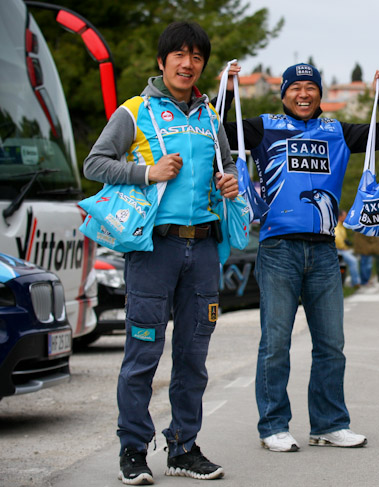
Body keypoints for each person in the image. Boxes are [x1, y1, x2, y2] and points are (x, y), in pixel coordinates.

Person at [84, 22, 236, 484]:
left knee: (193, 357)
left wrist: (230, 181)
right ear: (162, 61)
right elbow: (95, 163)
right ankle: (133, 450)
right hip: (154, 249)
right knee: (142, 355)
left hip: (204, 247)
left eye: (196, 58)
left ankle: (183, 448)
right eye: (179, 56)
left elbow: (226, 167)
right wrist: (146, 172)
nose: (188, 64)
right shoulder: (135, 110)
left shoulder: (210, 116)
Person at [220, 62, 379, 451]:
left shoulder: (338, 132)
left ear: (320, 94)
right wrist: (229, 89)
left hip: (325, 251)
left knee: (331, 344)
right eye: (295, 87)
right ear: (283, 94)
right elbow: (214, 131)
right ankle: (273, 426)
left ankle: (329, 424)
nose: (303, 93)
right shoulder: (263, 127)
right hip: (278, 249)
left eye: (310, 87)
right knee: (276, 342)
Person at [335, 210, 361, 289]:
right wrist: (343, 246)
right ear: (340, 217)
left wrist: (346, 243)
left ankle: (349, 282)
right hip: (339, 250)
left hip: (342, 249)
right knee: (353, 261)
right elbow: (337, 238)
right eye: (345, 215)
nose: (346, 217)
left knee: (345, 265)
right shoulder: (337, 225)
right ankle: (355, 282)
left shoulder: (341, 225)